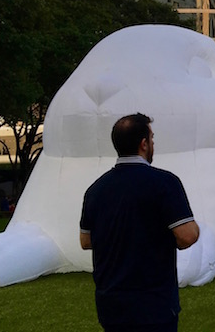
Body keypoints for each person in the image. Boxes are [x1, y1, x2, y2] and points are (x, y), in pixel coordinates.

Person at [79, 113, 200, 332]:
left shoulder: (95, 190)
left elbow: (86, 241)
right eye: (152, 139)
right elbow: (187, 235)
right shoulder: (165, 183)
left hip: (111, 306)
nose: (153, 144)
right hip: (153, 305)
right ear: (143, 144)